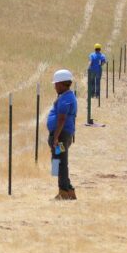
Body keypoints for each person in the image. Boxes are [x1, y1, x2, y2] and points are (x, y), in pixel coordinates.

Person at [48, 69, 78, 200]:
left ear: (61, 84)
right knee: (57, 161)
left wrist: (55, 138)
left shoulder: (66, 99)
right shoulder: (66, 96)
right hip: (60, 135)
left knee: (60, 162)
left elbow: (61, 119)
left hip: (60, 136)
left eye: (55, 84)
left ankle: (64, 191)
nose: (54, 87)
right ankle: (69, 189)